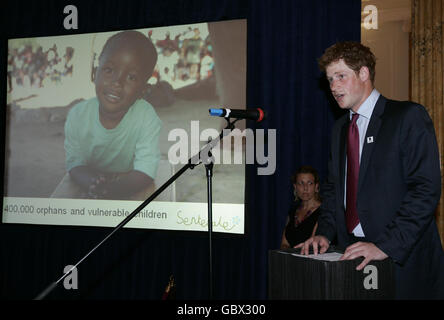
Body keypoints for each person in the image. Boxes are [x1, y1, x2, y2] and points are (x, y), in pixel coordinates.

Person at [296, 41, 444, 299]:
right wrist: (324, 233)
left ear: (364, 74)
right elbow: (333, 192)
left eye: (341, 76)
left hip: (402, 261)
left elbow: (425, 189)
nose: (333, 87)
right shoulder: (339, 130)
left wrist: (385, 246)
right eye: (330, 79)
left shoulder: (407, 116)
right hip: (353, 257)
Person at [58, 30, 162, 200]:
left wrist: (115, 189)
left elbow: (146, 170)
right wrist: (92, 182)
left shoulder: (146, 117)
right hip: (91, 183)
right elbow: (74, 163)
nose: (117, 82)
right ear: (95, 72)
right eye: (109, 70)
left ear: (143, 89)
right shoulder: (78, 115)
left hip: (129, 183)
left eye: (131, 77)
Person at [281, 166, 322, 249]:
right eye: (301, 183)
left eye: (310, 183)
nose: (305, 188)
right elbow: (284, 244)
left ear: (316, 187)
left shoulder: (323, 212)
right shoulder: (293, 210)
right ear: (295, 187)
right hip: (289, 260)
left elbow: (312, 248)